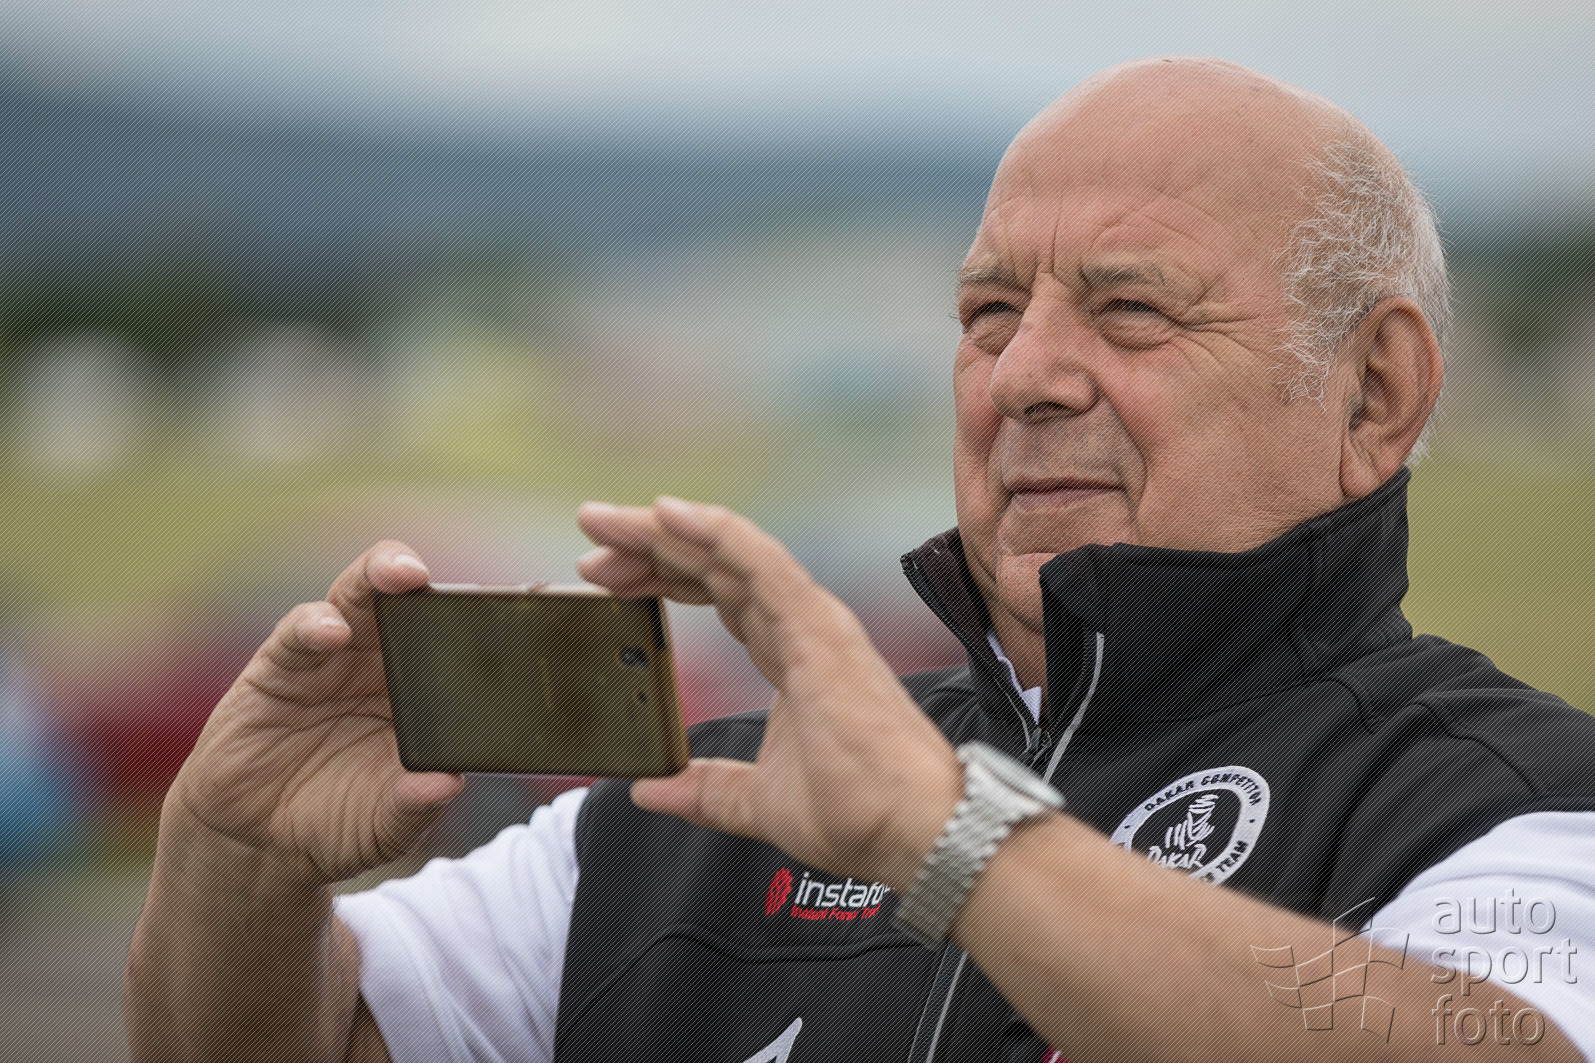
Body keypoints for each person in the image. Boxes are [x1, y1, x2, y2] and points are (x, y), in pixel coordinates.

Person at [125, 56, 1595, 1061]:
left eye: (1132, 311)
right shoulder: (703, 803)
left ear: (1377, 394)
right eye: (988, 313)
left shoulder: (1514, 798)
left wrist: (950, 842)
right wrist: (235, 859)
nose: (1023, 376)